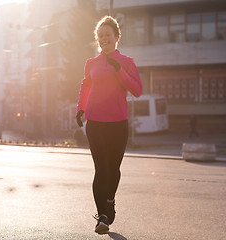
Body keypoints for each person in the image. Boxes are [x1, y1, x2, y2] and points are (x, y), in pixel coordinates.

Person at [75, 16, 142, 234]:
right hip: (95, 122)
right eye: (100, 35)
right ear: (97, 38)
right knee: (101, 169)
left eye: (108, 35)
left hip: (118, 124)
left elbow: (137, 90)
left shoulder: (127, 62)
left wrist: (118, 71)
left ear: (116, 37)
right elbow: (86, 86)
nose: (104, 38)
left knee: (113, 170)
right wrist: (80, 108)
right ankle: (102, 216)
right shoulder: (91, 63)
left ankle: (110, 200)